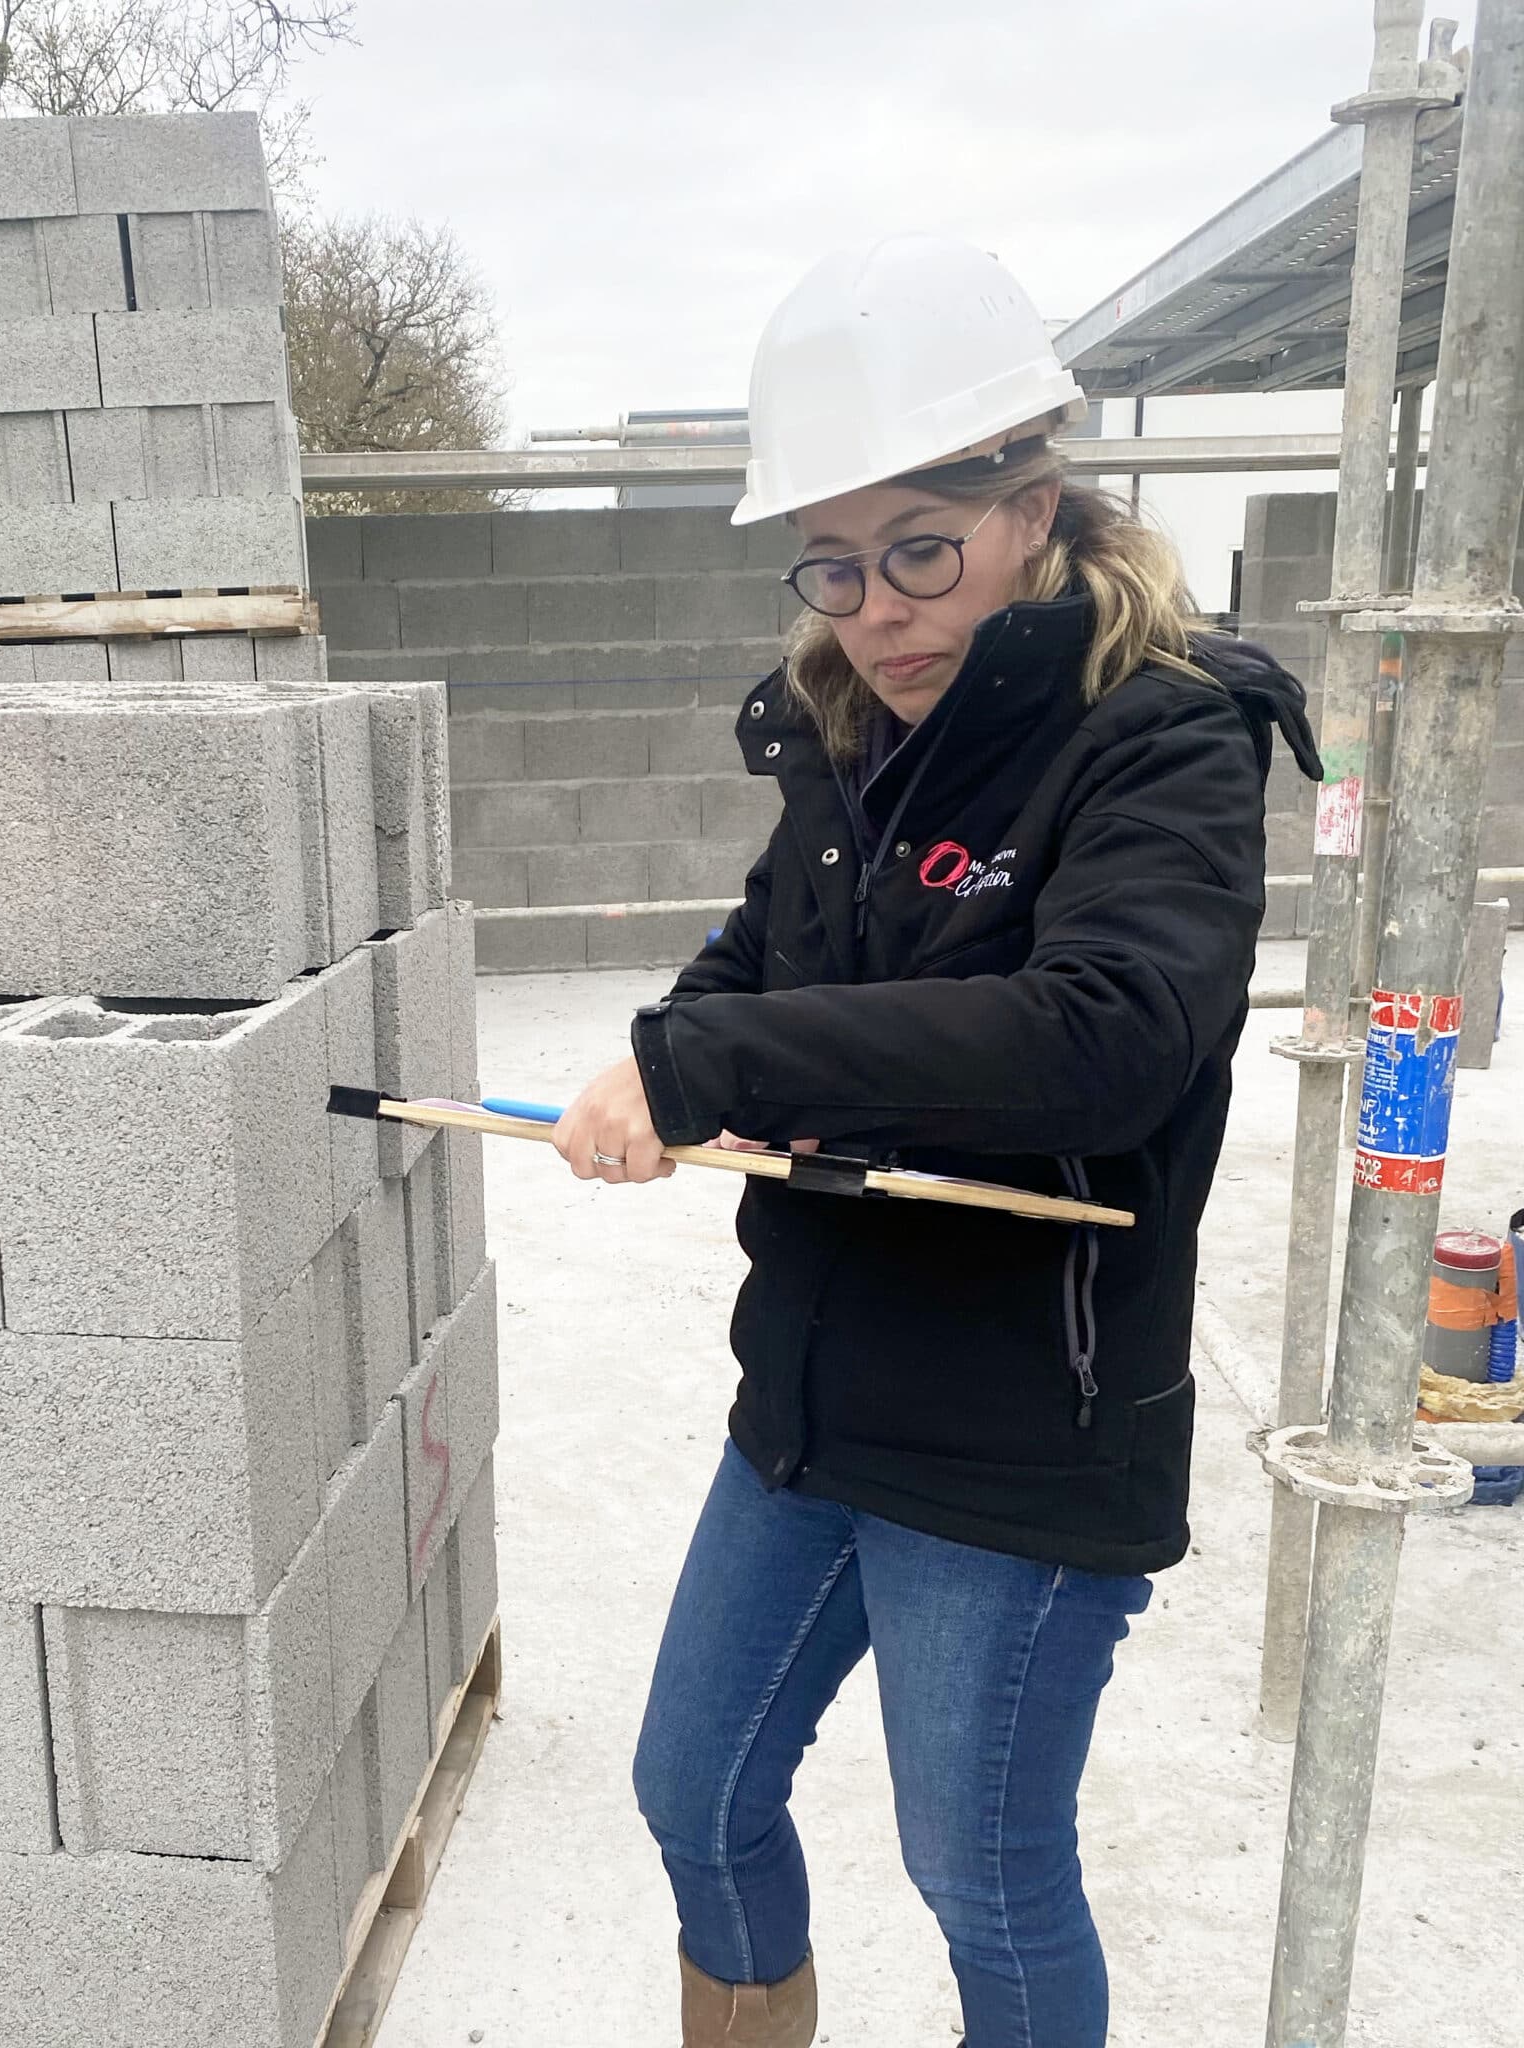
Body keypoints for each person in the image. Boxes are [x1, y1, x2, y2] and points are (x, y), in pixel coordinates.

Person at [551, 235, 1322, 2048]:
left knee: (980, 1873)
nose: (879, 610)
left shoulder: (1162, 735)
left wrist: (718, 1055)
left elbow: (1106, 1036)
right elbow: (755, 962)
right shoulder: (842, 738)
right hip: (813, 1399)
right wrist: (674, 1050)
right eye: (835, 564)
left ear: (1032, 508)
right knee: (695, 1790)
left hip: (1020, 1440)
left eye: (921, 549)